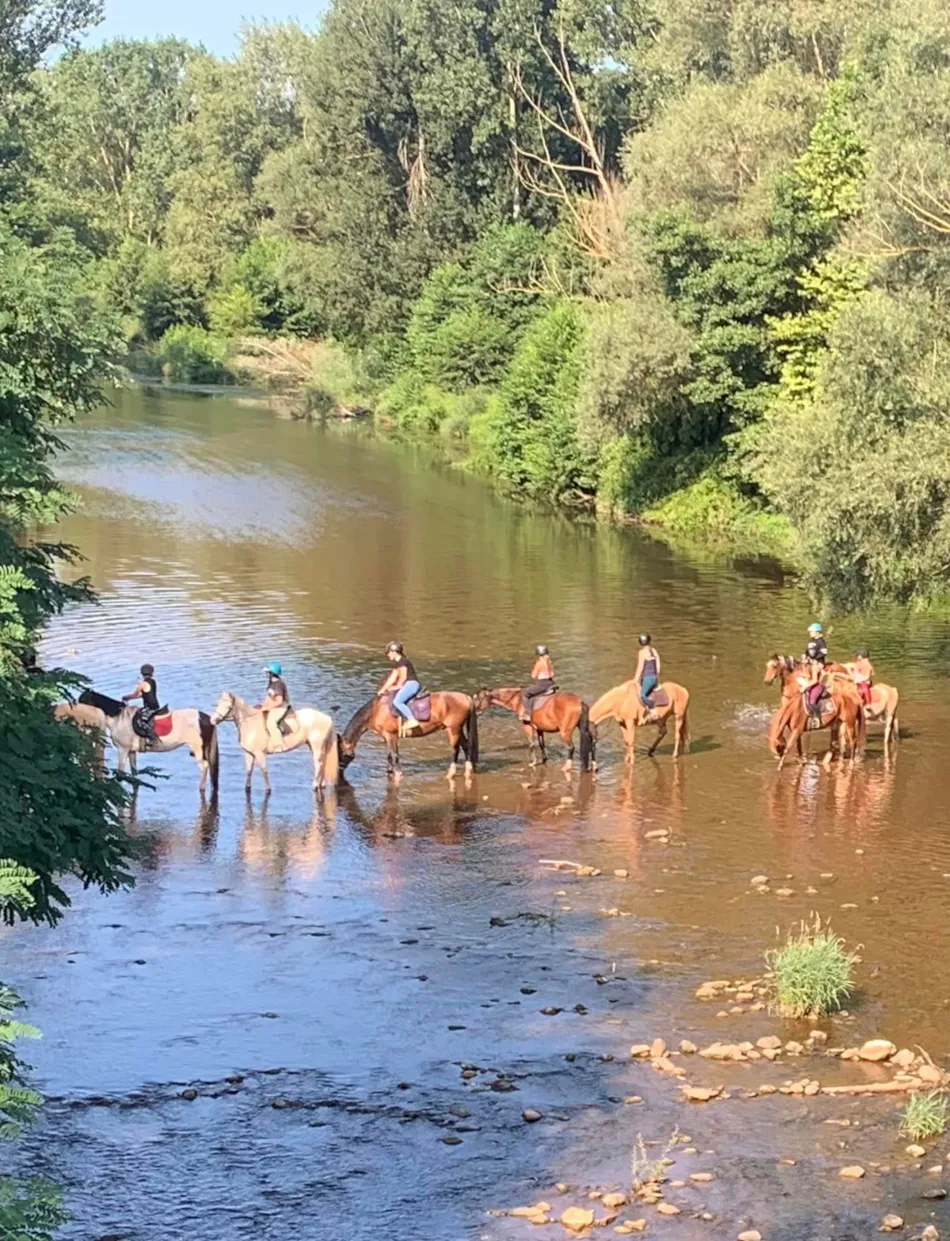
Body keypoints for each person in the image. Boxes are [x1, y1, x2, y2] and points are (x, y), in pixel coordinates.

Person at [378, 641, 421, 732]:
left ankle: (412, 720)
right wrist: (383, 689)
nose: (388, 655)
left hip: (411, 684)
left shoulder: (403, 661)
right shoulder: (397, 663)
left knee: (397, 702)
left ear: (394, 652)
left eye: (388, 653)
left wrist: (397, 686)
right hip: (408, 684)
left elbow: (404, 677)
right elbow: (392, 677)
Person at [122, 663, 162, 742]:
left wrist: (126, 697)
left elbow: (135, 695)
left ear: (142, 673)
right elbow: (143, 695)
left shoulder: (143, 685)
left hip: (150, 707)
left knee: (142, 720)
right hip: (155, 705)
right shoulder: (153, 682)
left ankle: (152, 737)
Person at [260, 662, 295, 746]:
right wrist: (262, 706)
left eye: (268, 673)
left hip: (280, 708)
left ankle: (279, 744)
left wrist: (268, 708)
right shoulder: (272, 684)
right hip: (273, 707)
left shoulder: (279, 685)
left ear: (272, 674)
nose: (267, 675)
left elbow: (279, 701)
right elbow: (269, 697)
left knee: (271, 723)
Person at [521, 644, 556, 723]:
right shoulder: (549, 662)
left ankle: (528, 714)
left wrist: (534, 668)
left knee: (525, 694)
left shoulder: (539, 663)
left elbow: (533, 676)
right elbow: (552, 674)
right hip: (551, 683)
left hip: (543, 684)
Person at [634, 634, 661, 721]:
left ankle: (653, 710)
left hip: (648, 678)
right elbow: (658, 667)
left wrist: (635, 680)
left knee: (642, 695)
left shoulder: (642, 653)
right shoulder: (654, 650)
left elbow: (640, 668)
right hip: (655, 678)